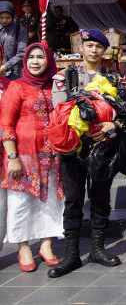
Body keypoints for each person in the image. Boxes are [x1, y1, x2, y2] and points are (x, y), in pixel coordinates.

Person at [48, 30, 126, 277]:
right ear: (81, 47)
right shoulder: (66, 75)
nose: (94, 51)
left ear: (104, 50)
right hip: (73, 147)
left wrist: (112, 126)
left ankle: (97, 248)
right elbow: (59, 109)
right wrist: (84, 129)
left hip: (102, 147)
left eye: (98, 47)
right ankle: (71, 254)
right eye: (89, 46)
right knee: (73, 200)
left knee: (100, 197)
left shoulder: (114, 78)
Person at [0, 44, 62, 273]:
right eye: (31, 58)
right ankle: (23, 247)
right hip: (23, 156)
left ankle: (46, 245)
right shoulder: (16, 87)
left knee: (51, 202)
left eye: (41, 57)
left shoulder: (54, 85)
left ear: (49, 61)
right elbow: (5, 124)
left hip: (51, 155)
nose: (35, 62)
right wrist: (12, 156)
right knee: (20, 203)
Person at [1, 0, 28, 81]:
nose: (4, 20)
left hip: (13, 72)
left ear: (12, 16)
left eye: (7, 18)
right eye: (1, 18)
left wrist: (6, 66)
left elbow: (22, 53)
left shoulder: (19, 29)